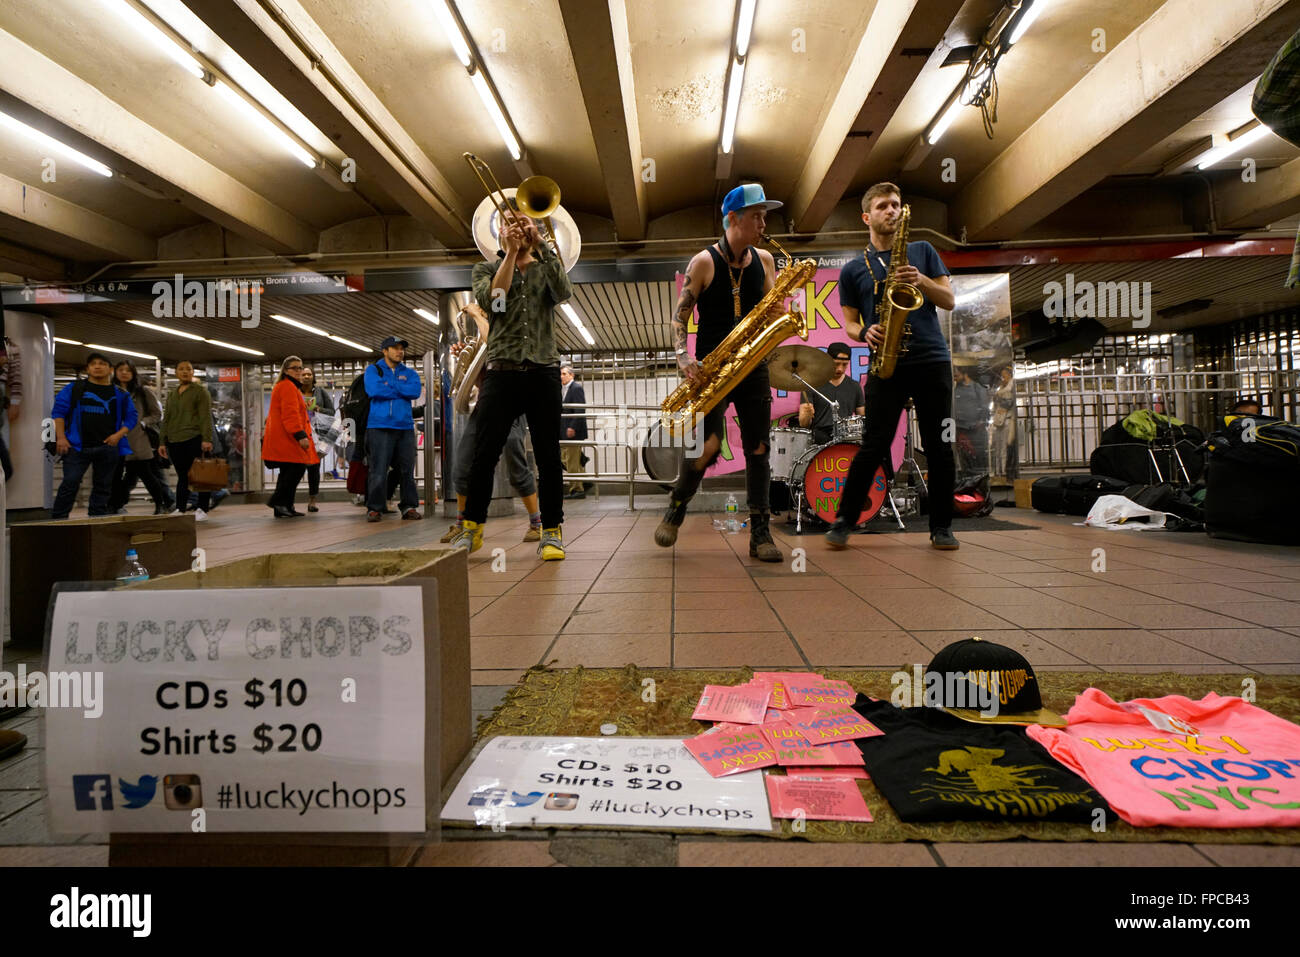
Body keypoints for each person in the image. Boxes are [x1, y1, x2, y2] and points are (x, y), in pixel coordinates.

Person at [653, 182, 784, 562]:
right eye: (756, 215)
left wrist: (777, 315)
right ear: (733, 218)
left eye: (764, 215)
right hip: (712, 368)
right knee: (706, 447)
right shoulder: (704, 262)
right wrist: (682, 356)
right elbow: (680, 316)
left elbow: (771, 305)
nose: (763, 223)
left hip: (753, 365)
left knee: (758, 449)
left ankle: (760, 533)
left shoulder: (765, 260)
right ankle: (678, 503)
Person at [825, 182, 958, 550]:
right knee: (873, 445)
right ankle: (844, 520)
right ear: (867, 216)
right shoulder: (853, 269)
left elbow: (948, 299)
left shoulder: (922, 251)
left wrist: (922, 280)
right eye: (883, 206)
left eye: (896, 205)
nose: (892, 211)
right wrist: (864, 331)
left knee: (939, 444)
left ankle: (942, 527)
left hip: (931, 359)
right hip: (886, 364)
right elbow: (850, 323)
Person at [450, 209, 570, 561]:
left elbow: (563, 292)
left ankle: (552, 531)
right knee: (484, 453)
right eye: (508, 222)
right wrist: (510, 254)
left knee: (548, 457)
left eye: (522, 221)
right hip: (501, 371)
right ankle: (472, 528)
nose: (516, 226)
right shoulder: (484, 269)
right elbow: (494, 301)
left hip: (543, 368)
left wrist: (542, 245)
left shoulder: (546, 263)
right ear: (499, 231)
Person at [443, 304, 544, 543]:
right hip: (485, 406)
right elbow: (481, 382)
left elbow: (496, 345)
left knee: (515, 460)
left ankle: (536, 523)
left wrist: (477, 315)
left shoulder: (513, 332)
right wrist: (468, 362)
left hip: (513, 402)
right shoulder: (482, 339)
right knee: (463, 465)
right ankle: (461, 523)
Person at [50, 352, 138, 519]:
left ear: (110, 369)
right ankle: (58, 519)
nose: (97, 366)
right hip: (76, 446)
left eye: (102, 363)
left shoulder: (120, 394)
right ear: (87, 369)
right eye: (93, 364)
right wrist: (61, 437)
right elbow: (58, 412)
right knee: (70, 482)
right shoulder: (74, 388)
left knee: (103, 486)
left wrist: (118, 436)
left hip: (108, 447)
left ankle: (96, 520)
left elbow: (132, 417)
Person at [364, 336, 422, 522]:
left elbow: (414, 391)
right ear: (385, 351)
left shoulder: (410, 373)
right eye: (395, 348)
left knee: (407, 470)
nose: (400, 351)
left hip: (404, 426)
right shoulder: (374, 370)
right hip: (379, 426)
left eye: (401, 348)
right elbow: (374, 391)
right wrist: (400, 388)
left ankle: (409, 507)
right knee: (378, 470)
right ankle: (374, 508)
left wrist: (390, 386)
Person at [107, 361, 173, 514]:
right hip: (116, 439)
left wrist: (143, 423)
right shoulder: (110, 392)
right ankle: (115, 504)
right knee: (122, 477)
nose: (124, 373)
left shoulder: (143, 392)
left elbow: (157, 414)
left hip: (138, 439)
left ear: (133, 374)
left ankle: (160, 503)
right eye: (121, 370)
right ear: (115, 372)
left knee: (145, 474)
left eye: (128, 370)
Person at [158, 361, 215, 521]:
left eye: (188, 369)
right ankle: (180, 508)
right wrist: (162, 441)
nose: (184, 372)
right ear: (175, 372)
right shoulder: (172, 393)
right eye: (181, 369)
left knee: (201, 475)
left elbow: (205, 416)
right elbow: (166, 417)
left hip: (194, 437)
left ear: (193, 372)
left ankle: (202, 509)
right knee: (183, 475)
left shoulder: (200, 391)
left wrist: (206, 439)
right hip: (174, 439)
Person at [262, 356, 318, 518]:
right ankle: (278, 502)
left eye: (300, 368)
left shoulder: (287, 386)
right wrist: (300, 435)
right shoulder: (287, 387)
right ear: (286, 370)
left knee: (288, 472)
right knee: (295, 470)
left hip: (284, 438)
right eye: (295, 368)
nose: (299, 371)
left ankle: (284, 505)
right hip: (287, 439)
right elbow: (290, 414)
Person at [798, 342, 865, 445]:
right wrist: (807, 415)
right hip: (819, 439)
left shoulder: (855, 386)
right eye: (836, 364)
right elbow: (803, 424)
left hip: (846, 439)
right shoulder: (812, 384)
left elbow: (863, 418)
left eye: (844, 365)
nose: (840, 369)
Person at [300, 367, 336, 512]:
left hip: (317, 434)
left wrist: (318, 409)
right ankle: (288, 499)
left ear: (313, 377)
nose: (306, 376)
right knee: (295, 468)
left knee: (314, 468)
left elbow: (332, 411)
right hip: (299, 433)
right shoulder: (295, 392)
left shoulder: (320, 392)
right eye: (303, 374)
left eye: (309, 374)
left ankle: (312, 500)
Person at [952, 365, 990, 477]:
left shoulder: (977, 388)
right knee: (964, 458)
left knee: (978, 457)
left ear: (965, 373)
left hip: (975, 430)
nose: (955, 378)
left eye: (957, 375)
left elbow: (984, 407)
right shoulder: (956, 388)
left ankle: (979, 479)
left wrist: (981, 422)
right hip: (960, 429)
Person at [560, 364, 589, 499]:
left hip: (572, 432)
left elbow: (579, 409)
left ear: (572, 375)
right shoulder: (564, 389)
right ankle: (585, 481)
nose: (561, 376)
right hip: (566, 432)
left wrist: (573, 427)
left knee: (570, 461)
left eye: (564, 374)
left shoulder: (576, 388)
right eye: (560, 374)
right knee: (569, 460)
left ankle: (576, 489)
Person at [990, 364, 1017, 480]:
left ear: (1009, 376)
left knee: (1004, 448)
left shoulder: (1010, 388)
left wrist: (998, 396)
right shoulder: (1001, 389)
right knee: (997, 447)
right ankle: (997, 471)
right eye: (1002, 376)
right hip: (998, 420)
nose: (1002, 378)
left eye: (1004, 376)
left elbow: (1008, 402)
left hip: (1007, 420)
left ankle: (1004, 471)